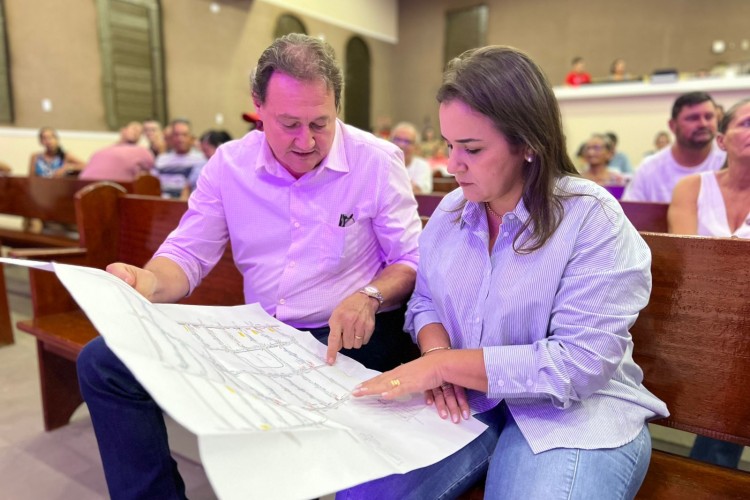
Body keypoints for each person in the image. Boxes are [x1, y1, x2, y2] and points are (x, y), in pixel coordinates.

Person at [76, 33, 421, 500]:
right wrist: (148, 280)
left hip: (345, 335)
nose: (307, 141)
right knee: (103, 362)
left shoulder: (375, 162)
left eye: (321, 122)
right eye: (289, 124)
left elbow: (411, 260)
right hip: (261, 335)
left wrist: (370, 294)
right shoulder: (229, 165)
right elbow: (188, 254)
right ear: (257, 107)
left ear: (337, 104)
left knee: (270, 444)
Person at [340, 45, 668, 500]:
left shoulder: (590, 218)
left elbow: (578, 364)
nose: (452, 165)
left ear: (528, 143)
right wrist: (438, 358)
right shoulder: (453, 212)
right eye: (448, 145)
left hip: (575, 412)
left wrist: (443, 364)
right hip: (473, 398)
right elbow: (426, 301)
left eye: (471, 148)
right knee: (364, 493)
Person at [668, 98, 750, 466]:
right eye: (746, 123)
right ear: (721, 140)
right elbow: (689, 260)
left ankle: (713, 464)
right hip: (698, 317)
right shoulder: (692, 188)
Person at [622, 92, 725, 202]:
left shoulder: (730, 162)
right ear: (672, 126)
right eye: (693, 118)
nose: (703, 124)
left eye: (709, 117)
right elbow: (630, 215)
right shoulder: (648, 170)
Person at [79, 121, 155, 182]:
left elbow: (150, 171)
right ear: (123, 130)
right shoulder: (101, 152)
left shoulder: (142, 151)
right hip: (88, 190)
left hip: (112, 193)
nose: (136, 132)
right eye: (134, 128)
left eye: (140, 132)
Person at [152, 118, 206, 199]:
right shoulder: (161, 160)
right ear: (171, 137)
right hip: (161, 203)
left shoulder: (201, 160)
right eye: (176, 135)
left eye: (184, 135)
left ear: (191, 137)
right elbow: (152, 184)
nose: (180, 139)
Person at [391, 121, 433, 194]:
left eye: (407, 141)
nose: (401, 145)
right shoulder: (383, 163)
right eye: (397, 140)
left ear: (416, 147)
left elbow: (419, 192)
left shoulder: (422, 166)